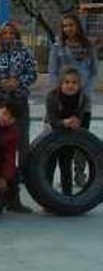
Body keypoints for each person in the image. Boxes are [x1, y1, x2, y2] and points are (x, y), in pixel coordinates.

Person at [0, 21, 37, 213]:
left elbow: (33, 73)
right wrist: (0, 83)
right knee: (1, 148)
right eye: (5, 33)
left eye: (11, 33)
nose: (8, 36)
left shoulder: (25, 53)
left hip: (20, 103)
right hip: (2, 103)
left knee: (21, 147)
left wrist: (18, 82)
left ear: (16, 34)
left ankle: (16, 197)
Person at [49, 14, 97, 187]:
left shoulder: (88, 46)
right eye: (64, 26)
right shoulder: (58, 46)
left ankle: (79, 173)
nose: (68, 29)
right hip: (62, 100)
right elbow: (53, 71)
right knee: (57, 141)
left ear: (77, 26)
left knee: (81, 139)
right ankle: (58, 177)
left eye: (71, 25)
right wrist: (58, 92)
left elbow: (93, 72)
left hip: (82, 100)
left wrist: (85, 91)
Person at [44, 67, 91, 196]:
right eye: (67, 82)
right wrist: (64, 123)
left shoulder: (84, 98)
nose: (70, 85)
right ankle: (47, 198)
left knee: (66, 164)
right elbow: (52, 119)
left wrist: (78, 123)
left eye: (74, 83)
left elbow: (85, 120)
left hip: (70, 135)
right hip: (52, 134)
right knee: (50, 164)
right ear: (61, 83)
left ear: (79, 85)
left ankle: (67, 197)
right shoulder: (52, 96)